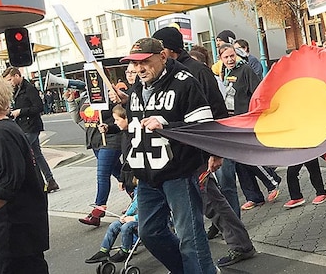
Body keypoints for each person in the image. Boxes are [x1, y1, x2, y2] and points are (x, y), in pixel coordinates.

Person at [151, 28, 256, 267]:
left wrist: (214, 151)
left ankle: (239, 245)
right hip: (180, 152)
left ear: (168, 50)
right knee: (210, 200)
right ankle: (239, 243)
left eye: (159, 49)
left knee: (212, 200)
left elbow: (215, 110)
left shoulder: (195, 71)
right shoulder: (170, 72)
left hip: (195, 151)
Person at [118, 37, 218, 274]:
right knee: (149, 233)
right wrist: (128, 168)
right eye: (134, 63)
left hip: (179, 172)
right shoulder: (136, 90)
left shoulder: (185, 83)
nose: (138, 68)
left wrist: (167, 126)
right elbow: (133, 134)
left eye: (144, 61)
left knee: (190, 237)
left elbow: (203, 126)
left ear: (162, 56)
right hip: (147, 176)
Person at [0, 75, 49, 272]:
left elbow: (8, 184)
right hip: (10, 235)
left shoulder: (0, 135)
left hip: (15, 235)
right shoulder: (0, 131)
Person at [218, 44, 282, 210]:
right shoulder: (224, 73)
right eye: (226, 57)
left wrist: (257, 114)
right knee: (239, 161)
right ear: (221, 59)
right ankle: (253, 195)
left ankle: (272, 180)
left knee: (248, 155)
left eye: (232, 56)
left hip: (246, 119)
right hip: (231, 120)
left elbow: (257, 92)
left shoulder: (245, 70)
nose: (230, 60)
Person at [1, 67, 59, 193]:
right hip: (23, 126)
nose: (9, 83)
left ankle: (39, 183)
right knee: (37, 155)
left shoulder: (29, 88)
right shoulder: (17, 90)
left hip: (31, 126)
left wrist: (20, 111)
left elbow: (39, 107)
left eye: (10, 79)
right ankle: (50, 181)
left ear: (17, 75)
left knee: (23, 154)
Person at [74, 98, 122, 227]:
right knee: (119, 173)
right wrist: (71, 101)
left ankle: (98, 209)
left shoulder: (108, 97)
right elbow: (77, 119)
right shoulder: (84, 97)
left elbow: (121, 115)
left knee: (102, 175)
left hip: (110, 140)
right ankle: (136, 196)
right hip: (95, 140)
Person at [85, 181, 138, 264]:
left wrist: (134, 218)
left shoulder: (153, 192)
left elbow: (150, 212)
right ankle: (104, 251)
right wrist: (126, 215)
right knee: (114, 225)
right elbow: (134, 205)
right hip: (134, 218)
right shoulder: (139, 191)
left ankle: (125, 251)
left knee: (126, 227)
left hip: (145, 220)